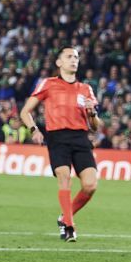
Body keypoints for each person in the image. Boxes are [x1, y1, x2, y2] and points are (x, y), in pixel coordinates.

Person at [20, 46, 102, 243]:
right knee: (64, 177)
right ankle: (70, 226)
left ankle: (64, 216)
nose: (73, 60)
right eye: (69, 57)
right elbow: (25, 111)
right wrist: (34, 130)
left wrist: (92, 113)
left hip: (81, 138)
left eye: (76, 57)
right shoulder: (48, 84)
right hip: (57, 137)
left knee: (90, 185)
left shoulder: (85, 89)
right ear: (59, 63)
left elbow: (95, 127)